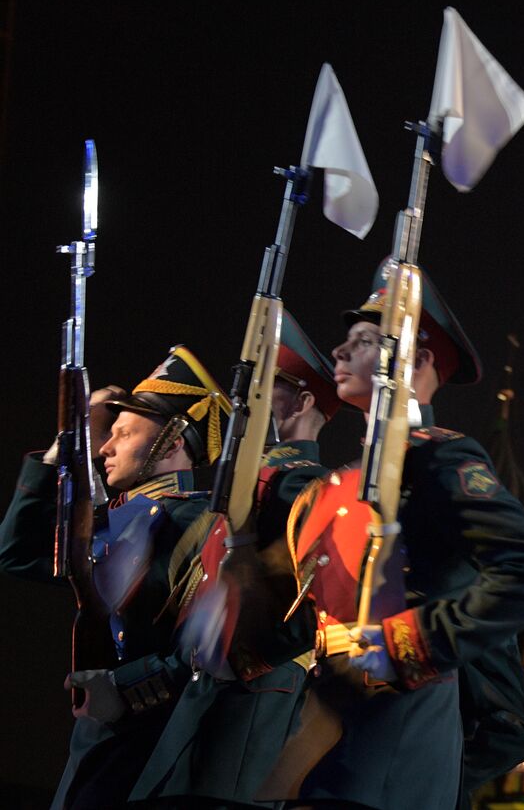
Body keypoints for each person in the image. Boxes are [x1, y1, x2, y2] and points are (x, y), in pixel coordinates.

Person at [257, 261, 524, 810]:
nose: (338, 352)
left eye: (362, 341)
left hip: (401, 729)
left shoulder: (439, 455)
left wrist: (414, 643)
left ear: (417, 359)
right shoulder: (348, 480)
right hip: (329, 724)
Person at [0, 346, 229, 810]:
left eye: (123, 433)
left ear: (173, 439)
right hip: (100, 737)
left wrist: (130, 691)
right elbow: (18, 552)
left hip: (158, 742)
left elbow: (210, 647)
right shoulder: (116, 519)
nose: (105, 446)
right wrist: (66, 442)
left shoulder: (202, 524)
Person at [131, 312, 341, 808]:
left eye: (267, 386)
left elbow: (322, 599)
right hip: (204, 693)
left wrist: (245, 658)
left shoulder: (302, 483)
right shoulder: (249, 479)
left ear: (303, 402)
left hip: (253, 701)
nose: (247, 399)